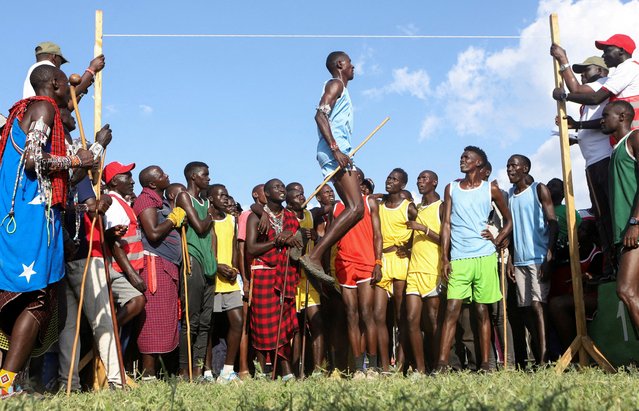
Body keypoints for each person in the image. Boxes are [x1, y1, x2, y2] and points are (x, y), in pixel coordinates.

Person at [0, 65, 95, 397]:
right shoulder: (42, 107)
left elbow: (65, 177)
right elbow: (33, 160)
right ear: (56, 83)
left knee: (32, 299)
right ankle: (6, 384)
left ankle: (13, 381)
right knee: (37, 297)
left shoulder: (26, 112)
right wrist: (76, 162)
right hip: (28, 218)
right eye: (64, 83)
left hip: (36, 217)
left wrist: (94, 151)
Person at [436, 146, 512, 372]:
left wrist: (498, 238)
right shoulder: (451, 188)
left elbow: (509, 221)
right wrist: (444, 258)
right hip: (459, 258)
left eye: (467, 157)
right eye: (461, 156)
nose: (462, 160)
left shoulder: (492, 189)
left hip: (485, 256)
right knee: (452, 310)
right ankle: (441, 363)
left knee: (482, 311)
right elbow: (446, 225)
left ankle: (486, 365)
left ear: (479, 163)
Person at [300, 51, 363, 285]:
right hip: (335, 151)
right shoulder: (335, 84)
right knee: (356, 208)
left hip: (338, 151)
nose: (353, 66)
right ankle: (315, 255)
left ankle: (318, 254)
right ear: (340, 64)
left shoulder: (342, 89)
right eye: (349, 62)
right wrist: (336, 148)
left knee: (355, 209)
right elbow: (319, 115)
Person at [554, 55, 614, 273]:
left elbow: (603, 121)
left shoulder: (604, 86)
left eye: (586, 70)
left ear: (601, 71)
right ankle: (610, 262)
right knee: (601, 215)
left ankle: (616, 261)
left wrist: (563, 62)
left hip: (606, 160)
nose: (582, 75)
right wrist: (576, 137)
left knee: (611, 214)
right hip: (592, 164)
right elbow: (591, 128)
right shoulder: (585, 104)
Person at [246, 179, 301, 380]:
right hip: (263, 274)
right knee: (262, 325)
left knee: (284, 325)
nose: (282, 190)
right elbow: (251, 249)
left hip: (285, 275)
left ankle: (285, 371)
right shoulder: (256, 217)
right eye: (276, 187)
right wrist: (276, 240)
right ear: (266, 194)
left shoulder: (290, 217)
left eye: (283, 187)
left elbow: (297, 245)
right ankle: (263, 371)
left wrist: (293, 236)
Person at [133, 166, 186, 379]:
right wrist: (172, 219)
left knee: (164, 319)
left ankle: (159, 372)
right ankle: (148, 374)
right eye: (162, 175)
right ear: (153, 183)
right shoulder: (146, 200)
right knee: (152, 320)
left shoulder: (160, 202)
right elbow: (153, 233)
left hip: (167, 266)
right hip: (155, 266)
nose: (167, 176)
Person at [506, 155, 558, 364]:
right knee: (526, 309)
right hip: (519, 260)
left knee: (539, 305)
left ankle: (546, 358)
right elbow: (510, 230)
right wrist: (510, 257)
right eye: (508, 165)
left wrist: (549, 254)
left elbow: (553, 222)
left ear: (525, 168)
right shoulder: (510, 195)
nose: (509, 169)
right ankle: (538, 354)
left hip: (538, 257)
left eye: (513, 165)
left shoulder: (539, 189)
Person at [332, 168, 381, 376]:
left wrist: (378, 262)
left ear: (358, 180)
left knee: (367, 315)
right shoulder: (337, 206)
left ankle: (373, 366)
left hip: (367, 262)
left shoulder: (369, 202)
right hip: (344, 264)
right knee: (351, 316)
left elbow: (378, 235)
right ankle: (359, 368)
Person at [600, 100, 639, 331]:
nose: (602, 120)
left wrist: (635, 222)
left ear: (623, 116)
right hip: (624, 233)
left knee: (626, 290)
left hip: (634, 228)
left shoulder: (634, 138)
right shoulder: (616, 150)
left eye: (606, 115)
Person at [175, 161, 216, 379]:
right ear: (193, 176)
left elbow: (212, 234)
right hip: (193, 259)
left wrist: (215, 260)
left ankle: (198, 369)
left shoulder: (206, 201)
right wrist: (211, 214)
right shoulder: (184, 197)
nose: (208, 178)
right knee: (191, 319)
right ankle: (184, 370)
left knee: (205, 320)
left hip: (208, 260)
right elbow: (200, 226)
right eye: (205, 174)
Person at [374, 168, 417, 371]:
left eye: (395, 179)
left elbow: (420, 230)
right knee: (379, 316)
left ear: (403, 185)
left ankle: (401, 365)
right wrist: (381, 195)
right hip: (381, 259)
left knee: (401, 317)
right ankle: (384, 366)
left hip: (400, 261)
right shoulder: (379, 205)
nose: (389, 180)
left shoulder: (409, 207)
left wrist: (408, 247)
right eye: (388, 177)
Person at [551, 34, 639, 130]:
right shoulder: (624, 71)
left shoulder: (628, 67)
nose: (603, 55)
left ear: (621, 50)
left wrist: (564, 96)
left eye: (607, 51)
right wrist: (577, 126)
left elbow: (595, 98)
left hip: (634, 136)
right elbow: (607, 120)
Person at [285, 183, 326, 375]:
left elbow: (328, 207)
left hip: (309, 276)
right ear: (288, 200)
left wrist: (315, 238)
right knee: (295, 328)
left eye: (302, 194)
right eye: (297, 195)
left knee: (316, 322)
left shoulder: (310, 215)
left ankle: (317, 369)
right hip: (292, 276)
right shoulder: (286, 216)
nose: (302, 197)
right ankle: (294, 370)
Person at [405, 170, 443, 374]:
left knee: (433, 321)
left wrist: (422, 228)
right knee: (412, 320)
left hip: (433, 270)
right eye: (418, 178)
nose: (420, 181)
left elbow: (447, 240)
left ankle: (438, 365)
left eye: (424, 178)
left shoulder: (442, 206)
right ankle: (420, 370)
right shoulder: (417, 208)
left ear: (434, 182)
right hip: (414, 270)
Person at [207, 184, 243, 383]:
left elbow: (235, 247)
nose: (224, 198)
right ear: (211, 199)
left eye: (226, 195)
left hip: (230, 280)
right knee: (209, 327)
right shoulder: (206, 220)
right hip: (212, 279)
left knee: (237, 321)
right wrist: (217, 266)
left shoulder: (232, 220)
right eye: (220, 195)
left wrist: (235, 268)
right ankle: (206, 371)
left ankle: (227, 371)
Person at [237, 184, 266, 379]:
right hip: (250, 273)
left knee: (261, 323)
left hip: (265, 275)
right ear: (256, 194)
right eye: (265, 190)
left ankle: (263, 367)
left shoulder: (268, 214)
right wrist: (246, 278)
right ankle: (243, 368)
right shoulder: (247, 215)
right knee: (246, 323)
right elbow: (241, 249)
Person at [23, 41, 106, 108]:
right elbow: (68, 94)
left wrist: (82, 89)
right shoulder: (47, 69)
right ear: (54, 57)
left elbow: (66, 106)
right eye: (61, 61)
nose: (60, 66)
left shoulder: (36, 70)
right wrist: (92, 69)